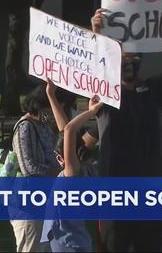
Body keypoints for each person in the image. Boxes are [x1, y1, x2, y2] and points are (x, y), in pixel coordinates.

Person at [91, 8, 162, 252]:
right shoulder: (105, 97)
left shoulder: (154, 93)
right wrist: (97, 34)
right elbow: (94, 71)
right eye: (122, 59)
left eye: (133, 59)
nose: (129, 65)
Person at [42, 92, 104, 252]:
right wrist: (51, 95)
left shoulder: (72, 174)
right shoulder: (78, 169)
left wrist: (92, 111)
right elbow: (66, 130)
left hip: (70, 244)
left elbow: (69, 130)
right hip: (69, 241)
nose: (56, 158)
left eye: (57, 155)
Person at [11, 83, 62, 252]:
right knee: (30, 246)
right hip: (27, 202)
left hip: (45, 197)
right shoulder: (25, 126)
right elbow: (28, 167)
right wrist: (53, 173)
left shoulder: (44, 125)